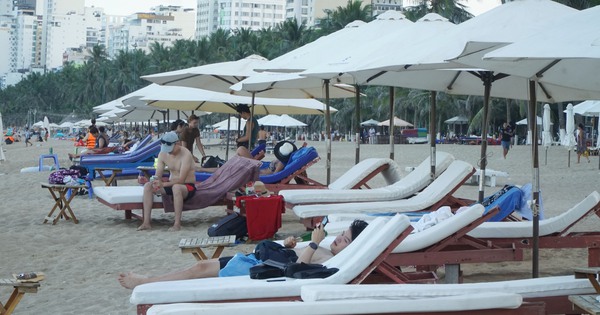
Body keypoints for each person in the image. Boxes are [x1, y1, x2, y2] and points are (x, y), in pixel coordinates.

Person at [118, 219, 369, 289]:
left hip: (260, 270)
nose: (338, 238)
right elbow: (297, 258)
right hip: (260, 259)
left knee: (197, 270)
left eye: (345, 239)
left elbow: (298, 271)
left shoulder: (331, 258)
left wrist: (313, 245)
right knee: (201, 266)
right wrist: (293, 245)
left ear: (353, 247)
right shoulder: (328, 248)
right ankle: (148, 280)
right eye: (342, 233)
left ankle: (144, 282)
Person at [137, 131, 196, 231]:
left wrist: (163, 184)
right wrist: (154, 181)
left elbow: (181, 180)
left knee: (176, 187)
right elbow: (158, 174)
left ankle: (177, 224)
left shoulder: (186, 154)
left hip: (187, 186)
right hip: (171, 183)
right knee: (148, 186)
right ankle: (146, 222)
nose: (168, 152)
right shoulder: (163, 154)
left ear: (177, 143)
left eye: (170, 149)